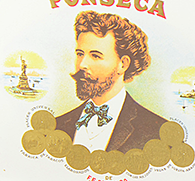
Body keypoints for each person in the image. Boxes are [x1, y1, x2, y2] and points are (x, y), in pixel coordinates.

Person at [56, 10, 167, 153]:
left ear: (123, 64)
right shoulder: (57, 125)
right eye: (80, 54)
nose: (82, 64)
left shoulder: (157, 132)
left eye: (95, 56)